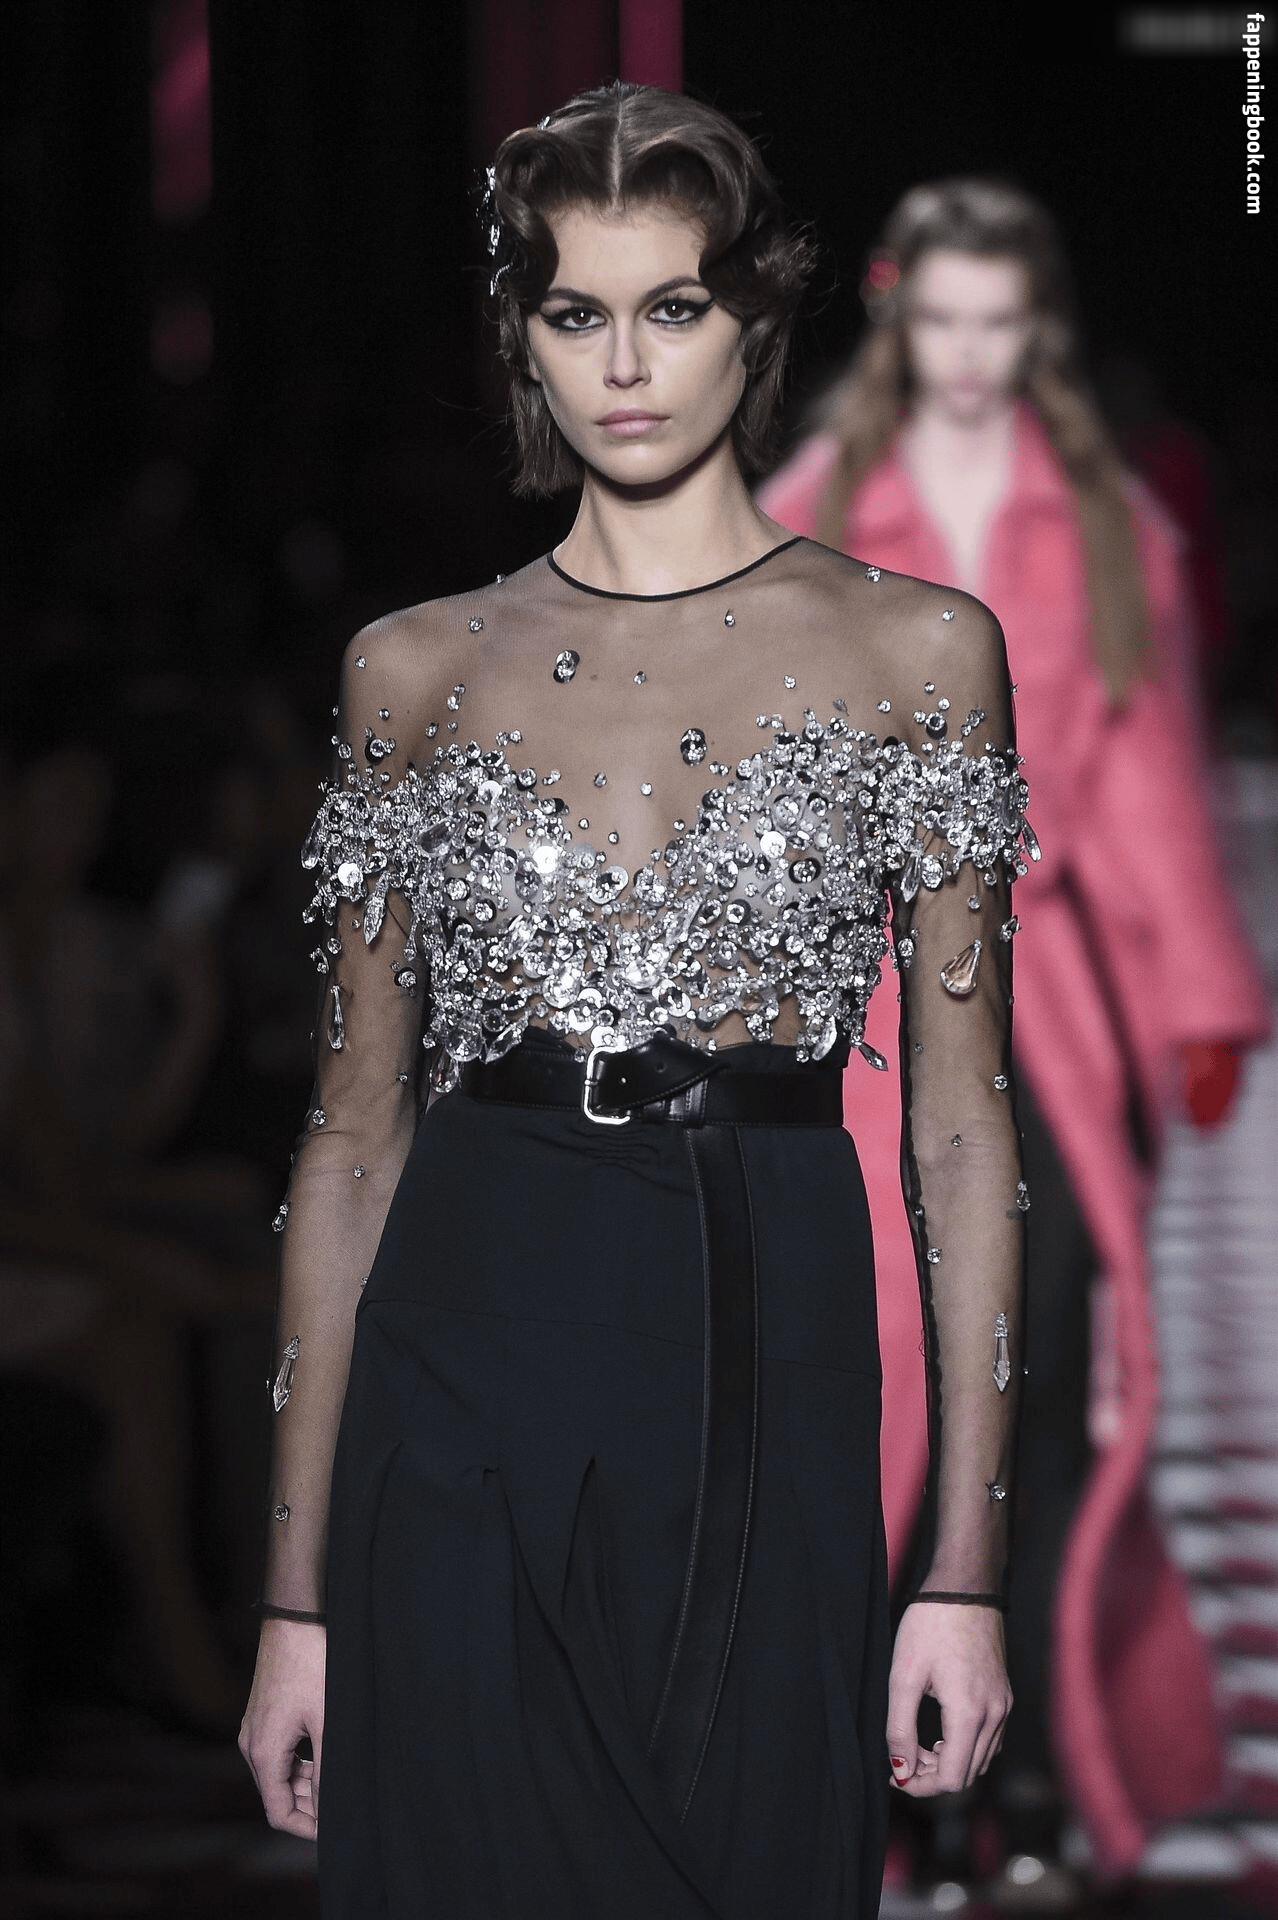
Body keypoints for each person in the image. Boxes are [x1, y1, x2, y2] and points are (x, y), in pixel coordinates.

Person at [238, 92, 1035, 1918]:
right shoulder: (413, 668)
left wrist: (964, 1565)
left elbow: (959, 1128)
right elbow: (350, 1142)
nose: (622, 365)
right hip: (467, 1306)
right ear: (520, 335)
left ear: (755, 318)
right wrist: (295, 1604)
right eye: (574, 312)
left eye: (670, 307)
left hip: (758, 1310)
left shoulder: (917, 651)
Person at [758, 178, 1271, 1895]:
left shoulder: (1107, 523)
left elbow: (1146, 775)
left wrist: (1197, 1000)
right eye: (943, 320)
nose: (970, 355)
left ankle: (1034, 1764)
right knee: (872, 1377)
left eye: (999, 321)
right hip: (861, 1008)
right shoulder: (813, 511)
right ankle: (876, 1769)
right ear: (895, 315)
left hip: (1046, 1009)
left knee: (1039, 1380)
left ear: (1034, 325)